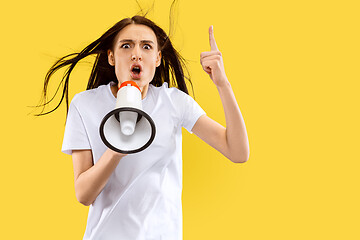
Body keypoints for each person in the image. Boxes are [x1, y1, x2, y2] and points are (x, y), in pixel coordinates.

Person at [37, 15, 249, 240]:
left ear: (157, 58)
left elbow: (237, 151)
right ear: (111, 56)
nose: (136, 53)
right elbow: (83, 194)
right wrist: (118, 148)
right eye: (126, 46)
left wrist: (222, 84)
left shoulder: (174, 102)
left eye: (146, 47)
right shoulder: (85, 104)